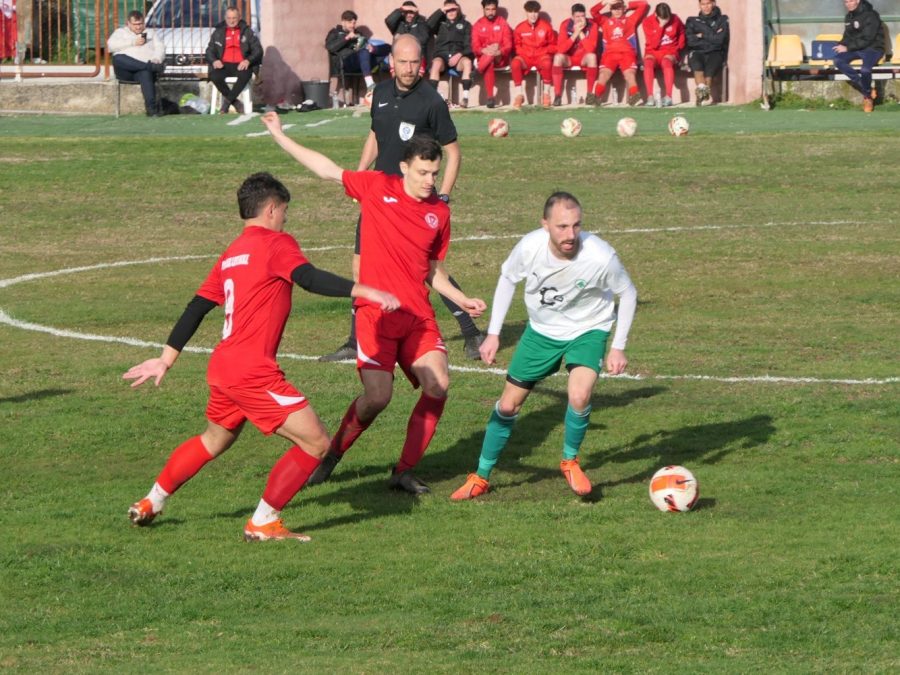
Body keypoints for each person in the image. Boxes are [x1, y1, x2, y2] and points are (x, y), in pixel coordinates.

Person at [124, 172, 400, 541]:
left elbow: (196, 307)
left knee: (213, 441)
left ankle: (151, 502)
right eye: (284, 210)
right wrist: (365, 289)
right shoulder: (276, 243)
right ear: (272, 209)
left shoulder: (231, 254)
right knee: (316, 442)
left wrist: (165, 359)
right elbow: (308, 277)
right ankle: (264, 521)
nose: (285, 218)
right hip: (251, 372)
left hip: (223, 367)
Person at [261, 112, 487, 494]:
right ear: (404, 168)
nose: (431, 181)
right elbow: (327, 170)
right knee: (378, 398)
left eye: (435, 173)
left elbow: (433, 271)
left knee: (439, 385)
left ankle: (403, 471)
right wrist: (280, 136)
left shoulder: (439, 213)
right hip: (375, 317)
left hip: (417, 316)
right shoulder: (376, 186)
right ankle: (333, 453)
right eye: (423, 173)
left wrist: (462, 299)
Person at [452, 191, 638, 501]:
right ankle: (481, 476)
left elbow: (628, 293)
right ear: (545, 225)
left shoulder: (601, 256)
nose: (570, 235)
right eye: (562, 227)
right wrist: (494, 334)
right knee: (509, 405)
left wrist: (617, 346)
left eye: (576, 226)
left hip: (588, 329)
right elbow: (508, 279)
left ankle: (569, 461)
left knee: (579, 394)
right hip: (541, 333)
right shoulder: (529, 247)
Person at [320, 34, 486, 364]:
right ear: (392, 62)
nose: (410, 69)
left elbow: (453, 154)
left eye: (415, 63)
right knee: (360, 266)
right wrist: (360, 173)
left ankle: (470, 331)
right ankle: (356, 340)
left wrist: (444, 196)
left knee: (424, 267)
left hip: (411, 204)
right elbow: (375, 135)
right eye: (403, 62)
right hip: (378, 198)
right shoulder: (380, 93)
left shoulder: (431, 101)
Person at [590, 0, 650, 106]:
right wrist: (605, 2)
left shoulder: (630, 20)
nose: (617, 11)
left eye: (619, 8)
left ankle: (635, 98)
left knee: (630, 75)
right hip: (609, 54)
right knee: (603, 75)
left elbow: (644, 4)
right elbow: (593, 12)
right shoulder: (605, 21)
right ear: (610, 9)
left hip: (627, 53)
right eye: (614, 8)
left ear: (623, 9)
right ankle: (596, 98)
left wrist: (628, 5)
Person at [107, 10, 165, 116]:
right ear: (128, 23)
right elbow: (110, 46)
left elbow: (160, 48)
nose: (138, 27)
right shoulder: (120, 32)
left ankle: (152, 110)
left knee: (145, 71)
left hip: (142, 71)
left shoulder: (151, 33)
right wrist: (133, 42)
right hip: (126, 72)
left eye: (141, 24)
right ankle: (150, 67)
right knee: (118, 58)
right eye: (135, 25)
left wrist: (157, 58)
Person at [205, 5, 262, 114]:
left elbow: (258, 50)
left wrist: (248, 60)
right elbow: (209, 51)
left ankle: (226, 103)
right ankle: (235, 103)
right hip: (224, 64)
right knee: (215, 76)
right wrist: (214, 60)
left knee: (245, 75)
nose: (231, 21)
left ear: (239, 17)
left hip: (241, 64)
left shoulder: (247, 31)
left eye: (234, 18)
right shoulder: (218, 32)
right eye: (229, 18)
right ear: (225, 18)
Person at [326, 10, 391, 104]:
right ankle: (370, 84)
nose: (352, 25)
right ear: (343, 21)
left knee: (388, 47)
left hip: (362, 62)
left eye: (354, 22)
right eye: (350, 22)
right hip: (345, 62)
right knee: (363, 51)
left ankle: (372, 51)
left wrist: (369, 47)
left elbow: (362, 45)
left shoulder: (358, 33)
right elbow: (330, 47)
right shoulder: (335, 32)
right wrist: (346, 38)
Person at [833, 0, 884, 113]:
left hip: (873, 48)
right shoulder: (849, 16)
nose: (848, 4)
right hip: (856, 49)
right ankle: (868, 91)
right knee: (838, 60)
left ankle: (867, 98)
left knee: (865, 70)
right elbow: (848, 36)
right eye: (846, 2)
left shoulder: (871, 15)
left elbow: (868, 38)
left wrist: (848, 48)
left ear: (858, 1)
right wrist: (840, 44)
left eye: (851, 1)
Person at [427, 0, 475, 108]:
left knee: (467, 62)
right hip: (441, 55)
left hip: (458, 57)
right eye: (448, 10)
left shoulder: (465, 25)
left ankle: (465, 98)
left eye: (453, 9)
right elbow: (427, 27)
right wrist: (440, 11)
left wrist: (460, 54)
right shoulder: (440, 24)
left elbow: (469, 45)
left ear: (458, 10)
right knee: (436, 64)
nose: (451, 12)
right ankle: (432, 100)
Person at [551, 3, 599, 106]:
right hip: (569, 57)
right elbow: (561, 49)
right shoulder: (565, 24)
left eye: (582, 16)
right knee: (557, 57)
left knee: (592, 57)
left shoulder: (592, 25)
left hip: (583, 57)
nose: (580, 19)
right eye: (577, 17)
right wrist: (575, 33)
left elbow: (591, 49)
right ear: (572, 17)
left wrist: (581, 33)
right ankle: (557, 96)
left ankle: (590, 95)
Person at [511, 1, 556, 108]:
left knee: (547, 63)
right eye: (530, 12)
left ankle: (546, 94)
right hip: (526, 57)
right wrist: (525, 52)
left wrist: (543, 51)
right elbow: (516, 46)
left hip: (541, 56)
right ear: (526, 13)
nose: (533, 15)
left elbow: (554, 46)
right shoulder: (520, 27)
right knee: (515, 63)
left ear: (538, 12)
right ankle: (519, 95)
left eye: (536, 12)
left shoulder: (546, 26)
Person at [685, 0, 729, 106]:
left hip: (715, 51)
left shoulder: (722, 19)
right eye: (703, 4)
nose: (706, 7)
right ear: (699, 5)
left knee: (709, 74)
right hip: (697, 51)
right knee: (697, 68)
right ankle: (702, 94)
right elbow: (690, 40)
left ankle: (702, 96)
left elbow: (719, 40)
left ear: (713, 3)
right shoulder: (692, 20)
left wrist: (702, 35)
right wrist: (713, 35)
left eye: (708, 3)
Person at [471, 0, 514, 108]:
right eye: (488, 9)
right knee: (489, 61)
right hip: (484, 58)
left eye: (493, 9)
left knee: (494, 50)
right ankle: (490, 98)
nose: (491, 12)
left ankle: (477, 70)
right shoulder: (478, 24)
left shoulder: (502, 23)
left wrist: (499, 50)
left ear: (496, 9)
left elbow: (508, 44)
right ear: (484, 9)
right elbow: (475, 46)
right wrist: (483, 50)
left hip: (500, 58)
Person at [641, 3, 685, 107]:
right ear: (656, 14)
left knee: (666, 62)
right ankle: (650, 97)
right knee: (648, 63)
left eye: (668, 18)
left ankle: (668, 97)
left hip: (670, 51)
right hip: (653, 51)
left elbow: (682, 31)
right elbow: (654, 44)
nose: (666, 20)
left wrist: (679, 46)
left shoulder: (675, 19)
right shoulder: (647, 22)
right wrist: (661, 26)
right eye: (663, 18)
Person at [385, 0, 432, 71]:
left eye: (411, 12)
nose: (409, 15)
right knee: (394, 64)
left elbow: (424, 39)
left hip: (416, 56)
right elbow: (389, 21)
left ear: (416, 13)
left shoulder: (421, 23)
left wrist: (404, 38)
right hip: (400, 56)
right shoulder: (398, 24)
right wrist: (401, 9)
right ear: (402, 13)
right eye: (406, 12)